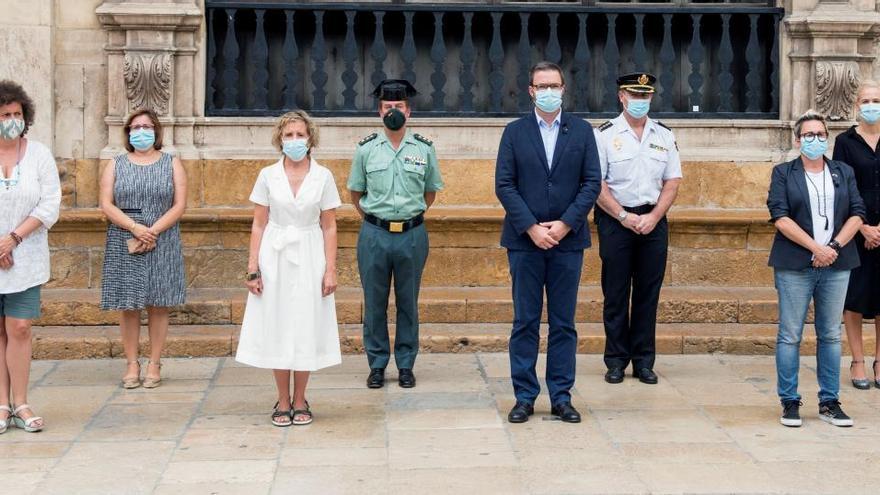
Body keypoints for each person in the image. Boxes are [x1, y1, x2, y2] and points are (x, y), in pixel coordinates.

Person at [495, 61, 601, 424]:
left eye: (554, 85)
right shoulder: (514, 132)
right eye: (542, 86)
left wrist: (565, 225)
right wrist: (532, 228)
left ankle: (561, 396)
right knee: (525, 321)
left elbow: (592, 184)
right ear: (531, 91)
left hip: (567, 243)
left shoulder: (583, 131)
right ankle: (524, 396)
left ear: (563, 89)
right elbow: (504, 185)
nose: (549, 92)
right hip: (525, 243)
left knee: (563, 323)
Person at [235, 110, 342, 427]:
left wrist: (331, 269)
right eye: (288, 135)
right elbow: (258, 223)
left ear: (310, 139)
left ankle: (300, 398)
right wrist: (253, 267)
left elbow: (330, 227)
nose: (294, 140)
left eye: (300, 134)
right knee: (278, 322)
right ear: (279, 140)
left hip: (310, 252)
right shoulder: (268, 175)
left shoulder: (323, 176)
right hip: (275, 253)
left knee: (305, 322)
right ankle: (283, 398)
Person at [767, 110, 865, 427]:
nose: (815, 140)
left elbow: (857, 213)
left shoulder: (843, 171)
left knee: (830, 335)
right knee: (790, 335)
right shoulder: (784, 173)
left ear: (827, 137)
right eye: (808, 135)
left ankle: (829, 402)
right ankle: (790, 401)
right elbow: (780, 216)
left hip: (837, 264)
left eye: (820, 134)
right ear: (797, 140)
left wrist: (833, 247)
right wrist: (815, 248)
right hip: (796, 264)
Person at [347, 79, 443, 389]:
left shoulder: (424, 149)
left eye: (398, 107)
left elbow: (430, 193)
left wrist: (407, 215)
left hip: (412, 236)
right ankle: (376, 365)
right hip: (374, 234)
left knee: (408, 302)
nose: (393, 112)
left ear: (408, 111)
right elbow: (356, 193)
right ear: (379, 112)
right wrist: (378, 219)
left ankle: (405, 364)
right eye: (388, 107)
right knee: (374, 303)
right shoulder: (366, 149)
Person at [593, 73, 682, 385]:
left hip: (652, 220)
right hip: (616, 220)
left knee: (648, 294)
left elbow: (672, 182)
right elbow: (597, 183)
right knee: (616, 293)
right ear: (621, 96)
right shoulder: (604, 134)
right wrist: (622, 216)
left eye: (646, 96)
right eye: (635, 95)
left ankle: (644, 361)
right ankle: (616, 360)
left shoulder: (664, 135)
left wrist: (655, 216)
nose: (640, 101)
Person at [99, 109, 187, 389]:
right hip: (125, 235)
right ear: (127, 133)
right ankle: (132, 363)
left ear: (157, 131)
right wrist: (135, 228)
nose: (141, 131)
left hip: (163, 235)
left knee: (159, 303)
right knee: (129, 304)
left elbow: (180, 204)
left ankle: (155, 362)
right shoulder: (116, 164)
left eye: (147, 126)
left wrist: (154, 230)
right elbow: (106, 203)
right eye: (135, 127)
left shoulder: (172, 163)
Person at [0, 80, 60, 433]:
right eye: (5, 114)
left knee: (19, 328)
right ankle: (1, 403)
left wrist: (12, 239)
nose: (12, 120)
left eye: (17, 114)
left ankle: (21, 401)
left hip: (25, 254)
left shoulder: (38, 154)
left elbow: (50, 202)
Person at [833, 81, 880, 389]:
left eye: (876, 99)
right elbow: (842, 188)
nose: (871, 105)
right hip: (856, 228)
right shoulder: (845, 141)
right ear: (855, 105)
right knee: (855, 297)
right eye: (866, 100)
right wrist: (862, 226)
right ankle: (858, 361)